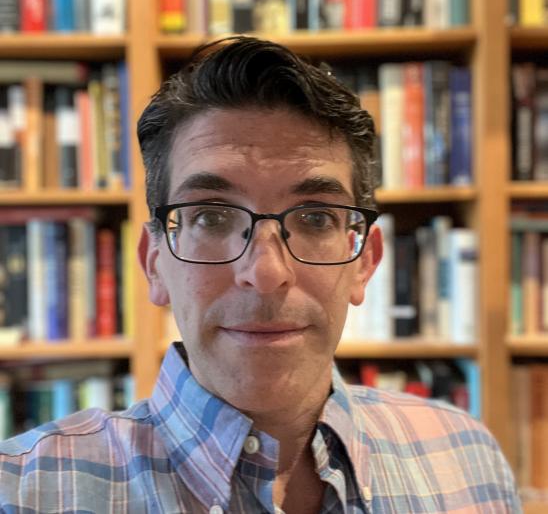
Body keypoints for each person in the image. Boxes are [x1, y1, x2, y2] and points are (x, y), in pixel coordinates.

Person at [0, 37, 520, 514]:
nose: (266, 273)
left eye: (315, 218)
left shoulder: (467, 460)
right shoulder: (24, 490)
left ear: (364, 260)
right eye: (211, 216)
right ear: (154, 261)